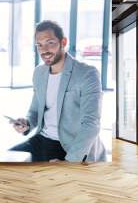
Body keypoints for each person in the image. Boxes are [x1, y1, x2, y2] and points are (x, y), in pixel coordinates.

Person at [10, 20, 106, 163]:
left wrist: (69, 162)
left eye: (50, 43)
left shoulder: (87, 74)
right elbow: (35, 111)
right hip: (43, 139)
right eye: (39, 45)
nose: (44, 50)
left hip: (72, 145)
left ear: (63, 42)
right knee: (6, 161)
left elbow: (91, 125)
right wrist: (26, 123)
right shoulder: (39, 73)